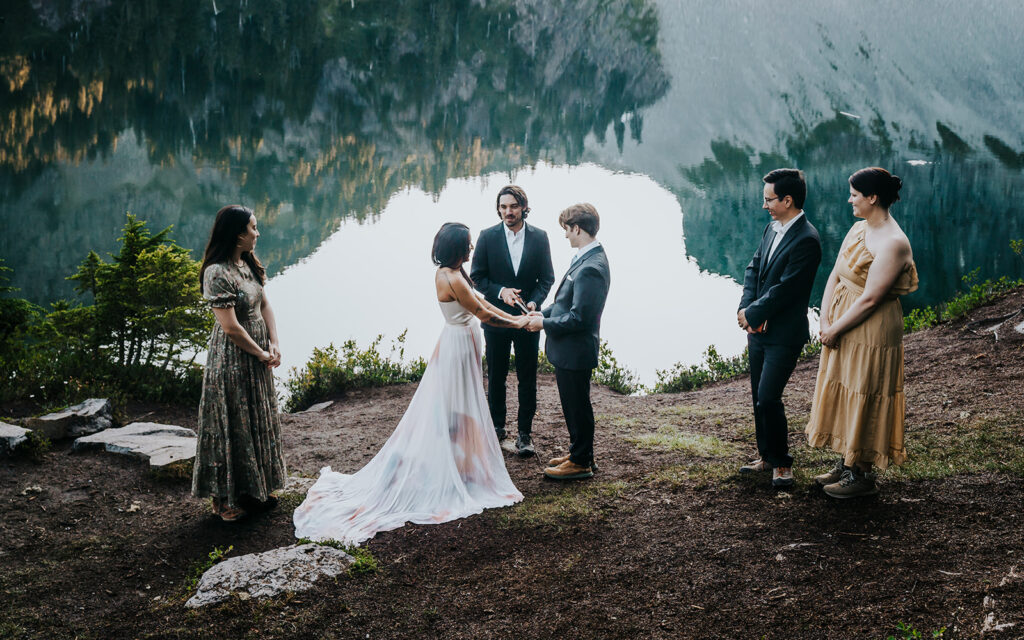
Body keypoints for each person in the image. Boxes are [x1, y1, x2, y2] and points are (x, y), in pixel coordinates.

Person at [293, 223, 526, 544]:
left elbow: (483, 304)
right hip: (457, 346)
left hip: (462, 343)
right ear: (455, 247)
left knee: (462, 405)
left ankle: (462, 465)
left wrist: (513, 315)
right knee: (456, 406)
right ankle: (451, 468)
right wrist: (519, 322)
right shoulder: (451, 277)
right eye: (468, 245)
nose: (472, 249)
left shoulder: (455, 272)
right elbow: (483, 315)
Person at [806, 167, 918, 498]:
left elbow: (870, 299)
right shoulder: (859, 228)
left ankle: (862, 475)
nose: (849, 199)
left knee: (865, 389)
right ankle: (847, 461)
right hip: (843, 321)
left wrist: (836, 327)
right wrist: (825, 320)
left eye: (855, 194)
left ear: (872, 198)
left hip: (871, 329)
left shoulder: (894, 242)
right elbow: (836, 274)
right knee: (845, 386)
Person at [192, 205, 286, 522]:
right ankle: (222, 499)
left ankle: (254, 489)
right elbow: (230, 327)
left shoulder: (246, 265)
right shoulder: (216, 272)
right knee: (231, 421)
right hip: (232, 359)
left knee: (255, 418)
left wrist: (273, 342)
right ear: (238, 234)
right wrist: (259, 353)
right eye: (253, 228)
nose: (257, 233)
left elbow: (265, 304)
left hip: (258, 352)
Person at [737, 169, 822, 488]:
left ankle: (783, 463)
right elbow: (753, 268)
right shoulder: (772, 228)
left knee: (769, 396)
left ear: (788, 200)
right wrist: (745, 309)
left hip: (785, 335)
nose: (765, 206)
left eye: (769, 200)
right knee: (757, 396)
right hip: (758, 330)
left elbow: (787, 289)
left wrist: (755, 312)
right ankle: (766, 456)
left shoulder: (807, 239)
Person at [526, 203, 610, 480]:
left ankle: (581, 462)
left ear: (577, 228)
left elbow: (579, 319)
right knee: (574, 405)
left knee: (577, 406)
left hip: (576, 351)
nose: (565, 235)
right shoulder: (585, 257)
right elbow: (565, 303)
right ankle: (580, 452)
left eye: (566, 229)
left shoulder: (591, 267)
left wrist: (543, 324)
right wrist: (543, 312)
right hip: (570, 351)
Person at [470, 185, 555, 457]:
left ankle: (524, 434)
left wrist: (534, 302)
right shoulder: (486, 237)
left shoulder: (540, 238)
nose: (508, 211)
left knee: (527, 378)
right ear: (498, 209)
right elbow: (477, 277)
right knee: (495, 375)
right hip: (495, 320)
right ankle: (496, 428)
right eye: (503, 206)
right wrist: (500, 291)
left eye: (513, 206)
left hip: (528, 320)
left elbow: (547, 279)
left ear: (523, 208)